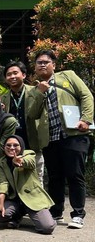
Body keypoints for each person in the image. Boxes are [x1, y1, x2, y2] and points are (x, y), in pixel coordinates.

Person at [34, 49, 93, 229]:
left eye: (46, 61)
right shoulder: (35, 87)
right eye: (39, 63)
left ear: (54, 65)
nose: (42, 64)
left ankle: (78, 214)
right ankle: (56, 212)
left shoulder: (68, 76)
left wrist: (86, 119)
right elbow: (33, 112)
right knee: (55, 177)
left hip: (74, 134)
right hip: (51, 138)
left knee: (75, 174)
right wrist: (39, 93)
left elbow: (86, 96)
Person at [0, 135, 56, 235]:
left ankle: (43, 216)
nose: (11, 148)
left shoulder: (29, 154)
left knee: (47, 227)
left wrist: (20, 162)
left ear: (21, 147)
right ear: (4, 147)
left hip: (32, 198)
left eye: (15, 145)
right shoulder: (1, 162)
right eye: (8, 145)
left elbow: (30, 163)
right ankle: (17, 216)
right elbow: (3, 184)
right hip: (14, 200)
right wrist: (0, 204)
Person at [0, 61, 46, 181]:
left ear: (24, 75)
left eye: (15, 73)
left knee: (36, 179)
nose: (12, 77)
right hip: (12, 146)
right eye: (9, 74)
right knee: (14, 178)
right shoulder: (3, 98)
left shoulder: (36, 91)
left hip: (32, 143)